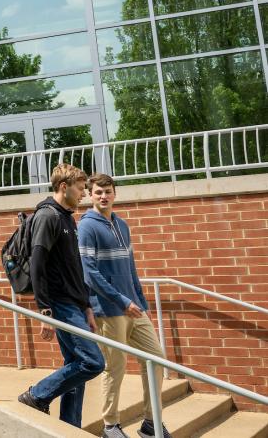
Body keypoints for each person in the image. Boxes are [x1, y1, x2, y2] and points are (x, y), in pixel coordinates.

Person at [79, 173, 173, 438]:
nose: (103, 196)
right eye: (98, 192)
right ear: (90, 194)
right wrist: (121, 301)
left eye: (107, 191)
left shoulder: (122, 225)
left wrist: (140, 301)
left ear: (115, 193)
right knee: (115, 368)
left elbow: (131, 269)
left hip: (134, 308)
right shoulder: (86, 226)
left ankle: (151, 422)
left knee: (155, 358)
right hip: (109, 311)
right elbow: (89, 273)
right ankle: (110, 425)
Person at [18, 163, 105, 429]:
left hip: (75, 305)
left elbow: (74, 268)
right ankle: (37, 395)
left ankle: (70, 426)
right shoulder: (48, 216)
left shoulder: (68, 218)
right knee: (92, 362)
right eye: (80, 189)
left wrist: (87, 306)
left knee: (76, 364)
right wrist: (45, 311)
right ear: (63, 187)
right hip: (60, 304)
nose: (84, 195)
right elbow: (37, 265)